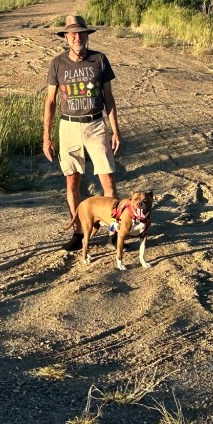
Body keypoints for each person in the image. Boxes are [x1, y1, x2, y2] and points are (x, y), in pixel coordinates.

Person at [43, 14, 121, 251]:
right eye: (72, 34)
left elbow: (109, 98)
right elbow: (50, 102)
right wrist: (46, 137)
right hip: (68, 126)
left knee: (107, 179)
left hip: (95, 125)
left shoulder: (100, 60)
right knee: (72, 181)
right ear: (66, 37)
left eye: (81, 33)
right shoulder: (57, 64)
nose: (77, 38)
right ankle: (78, 231)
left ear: (87, 35)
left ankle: (114, 230)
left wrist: (115, 131)